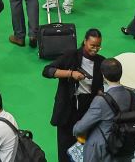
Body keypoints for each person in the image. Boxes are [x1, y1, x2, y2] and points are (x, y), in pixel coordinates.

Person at [41, 30, 104, 162]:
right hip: (68, 108)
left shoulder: (101, 61)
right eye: (92, 45)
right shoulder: (71, 56)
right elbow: (47, 71)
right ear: (85, 41)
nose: (95, 49)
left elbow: (100, 87)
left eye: (98, 46)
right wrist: (71, 74)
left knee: (85, 147)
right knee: (65, 148)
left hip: (88, 109)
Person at [72, 58, 135, 162]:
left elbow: (80, 128)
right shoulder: (132, 96)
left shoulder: (101, 101)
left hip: (103, 153)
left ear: (103, 75)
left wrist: (75, 128)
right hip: (124, 149)